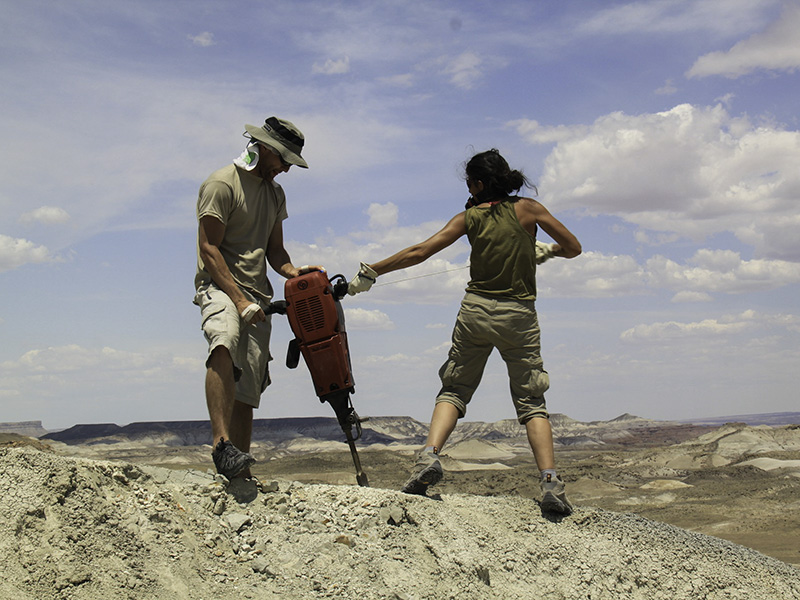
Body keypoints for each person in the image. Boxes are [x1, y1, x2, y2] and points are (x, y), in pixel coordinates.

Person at [348, 149, 581, 514]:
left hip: (474, 311)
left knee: (454, 389)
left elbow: (420, 251)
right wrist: (545, 251)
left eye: (470, 182)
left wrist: (372, 271)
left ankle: (428, 456)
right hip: (518, 315)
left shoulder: (469, 217)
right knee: (532, 401)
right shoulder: (530, 210)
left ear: (478, 183)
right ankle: (550, 480)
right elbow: (574, 248)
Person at [194, 116, 323, 480]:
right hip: (221, 288)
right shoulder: (222, 184)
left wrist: (294, 272)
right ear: (265, 148)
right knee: (224, 339)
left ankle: (239, 470)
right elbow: (209, 249)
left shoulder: (274, 193)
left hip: (258, 297)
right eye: (283, 160)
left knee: (249, 379)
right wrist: (237, 300)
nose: (285, 169)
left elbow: (275, 251)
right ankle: (221, 446)